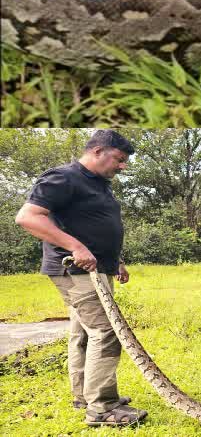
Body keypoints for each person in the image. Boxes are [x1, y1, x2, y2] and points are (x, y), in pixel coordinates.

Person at [14, 129, 148, 427]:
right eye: (119, 159)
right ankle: (102, 409)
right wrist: (75, 246)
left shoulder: (99, 183)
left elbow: (91, 225)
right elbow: (27, 217)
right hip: (74, 269)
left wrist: (116, 260)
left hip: (97, 269)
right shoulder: (63, 177)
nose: (123, 166)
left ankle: (84, 395)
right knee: (106, 331)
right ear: (98, 151)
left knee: (85, 332)